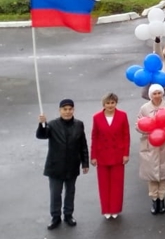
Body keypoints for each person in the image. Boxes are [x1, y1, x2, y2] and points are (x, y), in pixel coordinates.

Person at [36, 98, 89, 230]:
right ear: (60, 110)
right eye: (64, 109)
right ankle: (55, 217)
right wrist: (42, 124)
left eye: (70, 109)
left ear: (73, 110)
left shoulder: (79, 124)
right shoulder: (52, 125)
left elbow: (83, 145)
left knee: (70, 192)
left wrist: (85, 163)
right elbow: (42, 135)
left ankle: (68, 215)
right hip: (55, 166)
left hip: (72, 164)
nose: (67, 112)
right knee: (55, 193)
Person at [137, 84, 165, 215]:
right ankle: (154, 200)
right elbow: (138, 124)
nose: (157, 96)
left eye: (159, 93)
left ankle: (162, 199)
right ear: (150, 95)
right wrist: (148, 129)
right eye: (154, 93)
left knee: (164, 176)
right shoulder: (144, 108)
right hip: (150, 145)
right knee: (152, 176)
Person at [90, 93, 130, 220]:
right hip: (102, 154)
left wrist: (125, 153)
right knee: (103, 184)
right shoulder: (96, 117)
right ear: (104, 104)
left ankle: (115, 208)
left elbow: (126, 135)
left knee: (117, 183)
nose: (110, 105)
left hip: (118, 154)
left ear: (116, 103)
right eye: (108, 103)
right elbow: (94, 137)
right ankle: (106, 209)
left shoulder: (122, 116)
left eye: (112, 103)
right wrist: (93, 156)